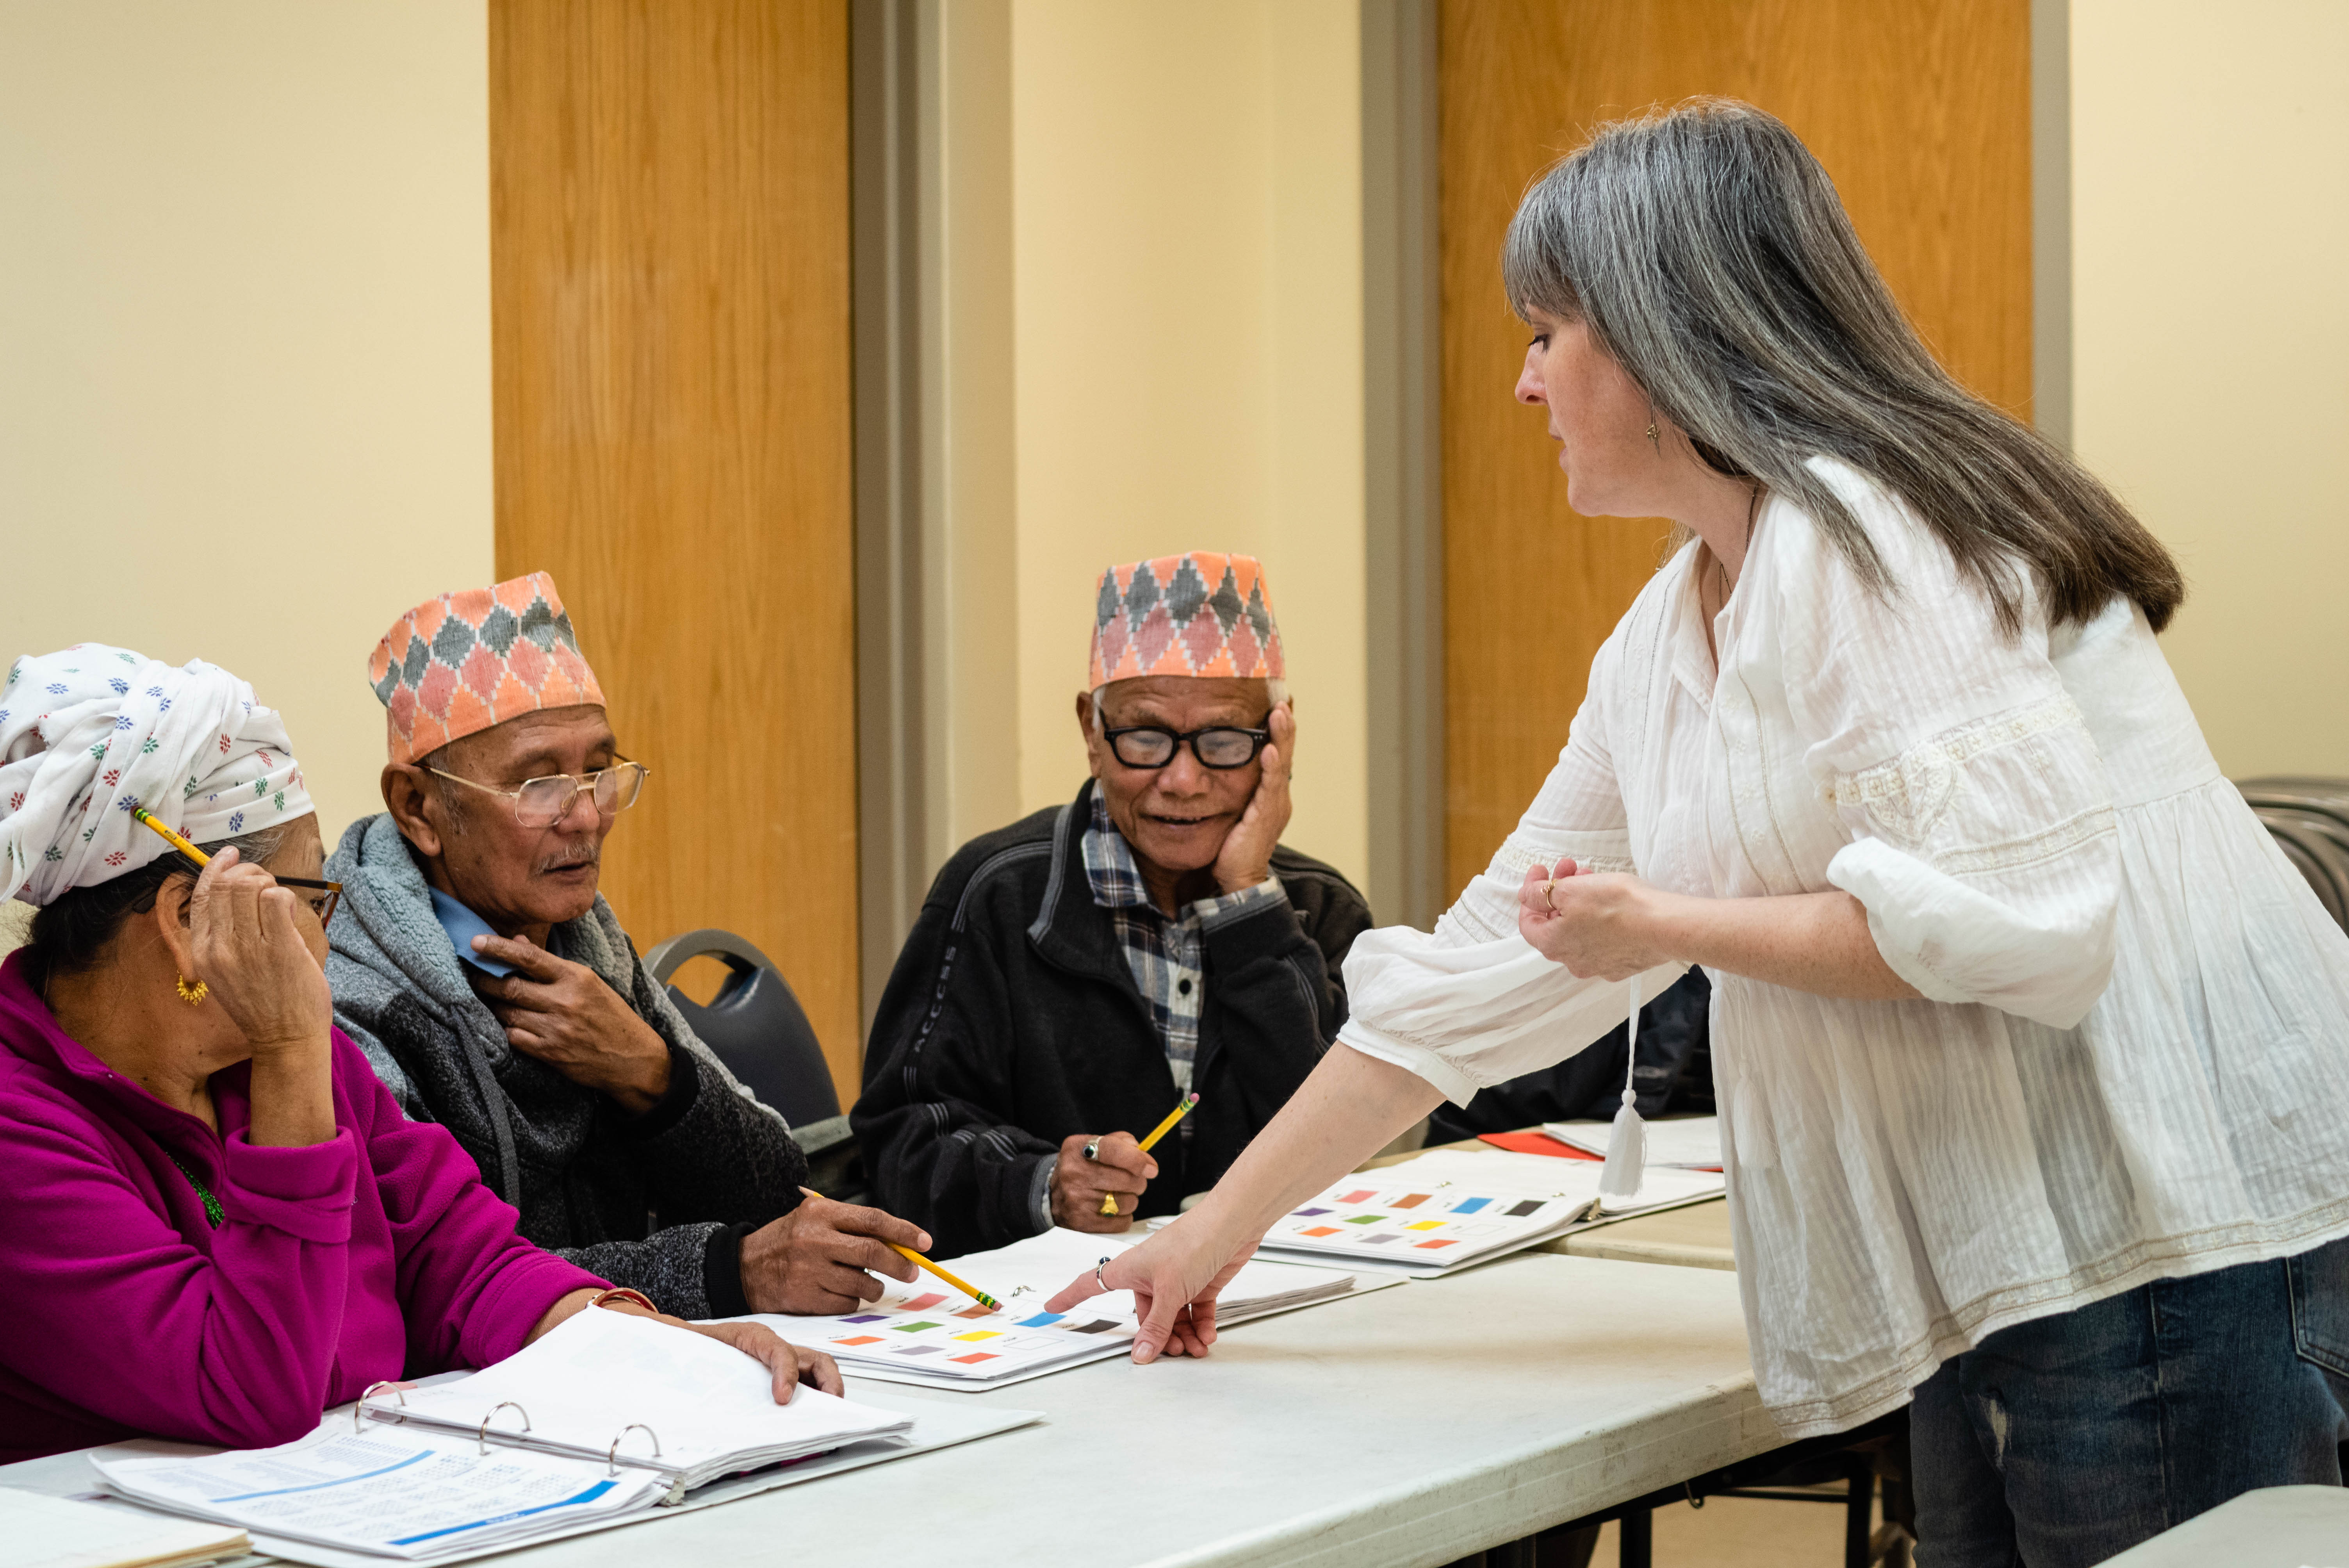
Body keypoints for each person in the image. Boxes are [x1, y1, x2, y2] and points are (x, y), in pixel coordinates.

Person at [1048, 100, 2349, 1560]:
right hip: (2004, 1246)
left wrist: (1663, 926)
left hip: (2162, 1229)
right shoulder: (1675, 623)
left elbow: (2023, 924)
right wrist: (1209, 1233)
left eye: (1548, 334)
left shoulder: (1882, 543)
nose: (1524, 382)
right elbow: (1490, 967)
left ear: (1667, 338)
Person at [0, 645, 834, 1464]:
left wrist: (667, 1354)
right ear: (190, 921)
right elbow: (252, 1391)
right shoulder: (28, 1125)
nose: (325, 944)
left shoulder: (287, 1064)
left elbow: (466, 1261)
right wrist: (291, 1053)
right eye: (311, 899)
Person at [326, 574, 928, 1319]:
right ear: (418, 808)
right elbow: (426, 1286)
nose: (586, 818)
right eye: (539, 783)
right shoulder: (349, 998)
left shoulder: (590, 949)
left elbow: (775, 1189)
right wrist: (726, 1272)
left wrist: (652, 1075)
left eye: (599, 772)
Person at [855, 553, 1374, 1258]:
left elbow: (1345, 1144)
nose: (1183, 781)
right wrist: (1040, 1184)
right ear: (1092, 734)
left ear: (1277, 739)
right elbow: (903, 1136)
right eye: (1146, 739)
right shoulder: (999, 892)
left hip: (1267, 1300)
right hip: (1053, 1313)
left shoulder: (1319, 907)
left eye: (1223, 742)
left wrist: (1250, 904)